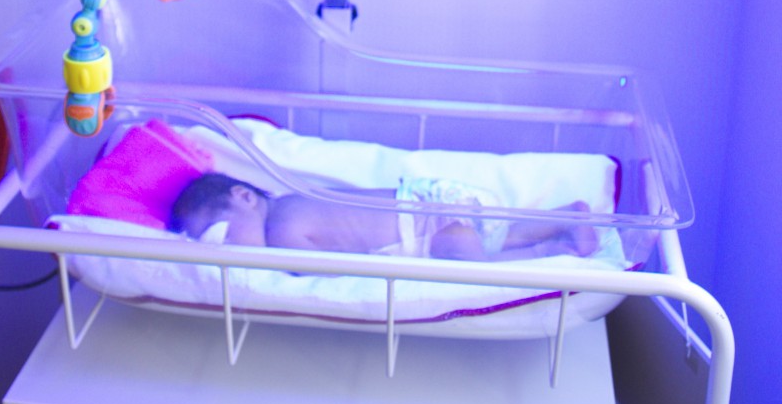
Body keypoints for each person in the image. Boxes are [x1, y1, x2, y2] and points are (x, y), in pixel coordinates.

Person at [170, 172, 598, 262]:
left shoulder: (282, 231)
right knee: (499, 235)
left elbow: (331, 274)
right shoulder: (289, 200)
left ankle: (551, 256)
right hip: (429, 201)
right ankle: (566, 218)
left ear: (245, 197)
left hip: (424, 226)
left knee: (478, 268)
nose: (224, 251)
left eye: (219, 236)